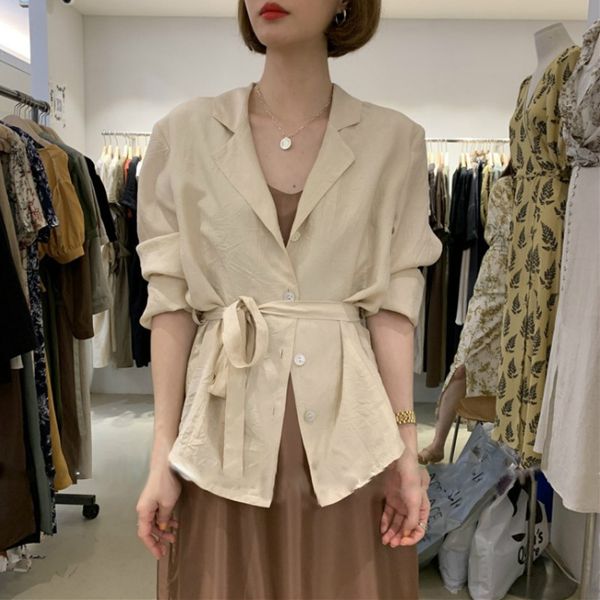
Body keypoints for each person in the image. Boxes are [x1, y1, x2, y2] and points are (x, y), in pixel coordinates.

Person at [135, 1, 442, 598]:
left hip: (350, 445)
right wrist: (161, 454)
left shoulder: (394, 141)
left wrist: (407, 452)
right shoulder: (184, 133)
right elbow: (170, 304)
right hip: (221, 439)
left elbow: (393, 309)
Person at [419, 163, 515, 465]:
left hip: (531, 285)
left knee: (516, 367)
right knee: (464, 362)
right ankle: (438, 443)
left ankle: (507, 452)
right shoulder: (504, 186)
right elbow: (508, 233)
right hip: (495, 282)